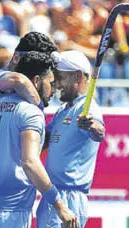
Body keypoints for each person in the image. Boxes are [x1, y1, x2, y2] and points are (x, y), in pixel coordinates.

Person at [0, 51, 78, 228]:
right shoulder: (32, 112)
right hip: (11, 213)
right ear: (36, 81)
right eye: (50, 83)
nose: (54, 89)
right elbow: (30, 162)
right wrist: (59, 205)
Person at [37, 50, 106, 228]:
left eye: (60, 77)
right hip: (52, 195)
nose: (56, 83)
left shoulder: (88, 107)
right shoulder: (63, 110)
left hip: (69, 199)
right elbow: (43, 140)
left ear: (77, 76)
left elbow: (99, 133)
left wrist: (91, 126)